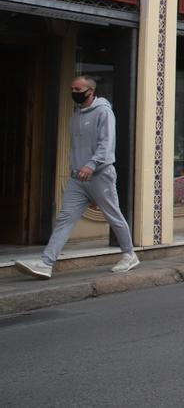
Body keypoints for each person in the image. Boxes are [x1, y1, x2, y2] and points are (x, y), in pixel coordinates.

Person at [15, 76, 138, 279]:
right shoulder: (76, 115)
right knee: (64, 219)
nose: (74, 92)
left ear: (91, 91)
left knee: (113, 215)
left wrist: (91, 165)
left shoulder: (104, 112)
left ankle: (129, 254)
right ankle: (45, 263)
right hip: (78, 179)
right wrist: (76, 169)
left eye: (78, 88)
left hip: (100, 175)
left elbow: (106, 145)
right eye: (72, 88)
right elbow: (75, 148)